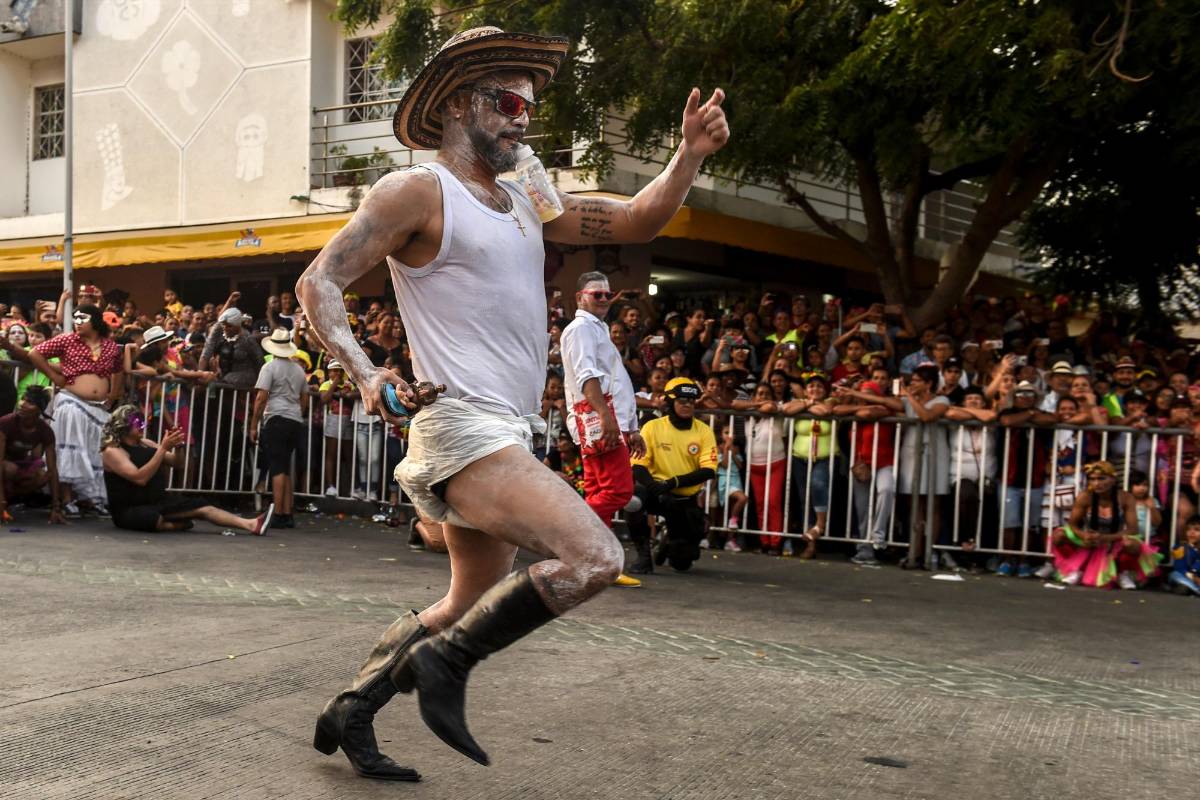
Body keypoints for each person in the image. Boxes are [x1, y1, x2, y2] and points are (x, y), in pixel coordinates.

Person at [297, 26, 728, 779]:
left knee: (463, 600)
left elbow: (635, 221)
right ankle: (448, 668)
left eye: (529, 108)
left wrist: (687, 156)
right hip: (461, 425)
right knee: (595, 556)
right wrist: (367, 373)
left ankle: (354, 708)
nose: (523, 118)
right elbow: (318, 283)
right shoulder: (417, 192)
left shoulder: (529, 196)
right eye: (506, 102)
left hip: (512, 428)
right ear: (460, 104)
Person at [560, 271, 646, 587]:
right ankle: (569, 536)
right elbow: (587, 377)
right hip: (598, 417)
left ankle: (598, 565)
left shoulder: (596, 329)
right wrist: (608, 418)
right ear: (580, 296)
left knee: (600, 490)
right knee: (618, 491)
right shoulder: (582, 328)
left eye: (607, 295)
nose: (604, 300)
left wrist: (630, 427)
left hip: (604, 417)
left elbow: (616, 381)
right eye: (597, 294)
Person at [101, 405, 273, 534]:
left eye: (143, 422)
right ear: (123, 426)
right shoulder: (113, 451)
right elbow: (139, 478)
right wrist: (162, 449)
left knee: (204, 507)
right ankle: (177, 524)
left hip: (158, 501)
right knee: (154, 520)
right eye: (137, 423)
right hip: (130, 508)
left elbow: (178, 463)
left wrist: (178, 445)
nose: (142, 426)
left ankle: (251, 524)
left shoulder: (147, 444)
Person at [28, 304, 125, 517]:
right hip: (72, 402)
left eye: (83, 318)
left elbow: (118, 370)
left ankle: (90, 499)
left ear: (97, 321)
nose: (78, 322)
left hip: (98, 408)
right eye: (76, 318)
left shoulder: (110, 346)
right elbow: (36, 353)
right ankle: (67, 499)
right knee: (70, 450)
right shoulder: (66, 340)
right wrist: (55, 378)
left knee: (94, 452)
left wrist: (113, 395)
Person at [625, 378, 718, 573]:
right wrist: (654, 486)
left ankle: (670, 539)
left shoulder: (704, 431)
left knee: (681, 562)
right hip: (656, 491)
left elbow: (709, 470)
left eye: (691, 402)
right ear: (670, 402)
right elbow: (638, 466)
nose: (687, 405)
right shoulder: (653, 427)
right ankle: (643, 557)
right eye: (682, 401)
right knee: (633, 501)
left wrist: (672, 483)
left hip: (683, 498)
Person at [1051, 461, 1161, 589]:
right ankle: (1077, 569)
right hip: (1089, 541)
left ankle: (1121, 572)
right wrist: (1084, 535)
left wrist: (1106, 538)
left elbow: (1133, 529)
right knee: (1059, 535)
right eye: (1092, 479)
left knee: (1131, 544)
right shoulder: (1085, 496)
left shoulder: (1125, 497)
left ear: (1113, 479)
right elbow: (1072, 524)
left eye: (1101, 478)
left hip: (1115, 540)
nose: (1096, 483)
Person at [249, 330, 310, 530]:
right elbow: (305, 399)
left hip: (276, 418)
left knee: (277, 467)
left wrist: (253, 424)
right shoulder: (299, 370)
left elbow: (261, 398)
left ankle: (279, 512)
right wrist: (296, 413)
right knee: (285, 467)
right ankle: (287, 512)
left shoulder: (269, 367)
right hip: (294, 420)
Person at [0, 387, 66, 524]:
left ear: (39, 409)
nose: (22, 404)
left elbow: (53, 470)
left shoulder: (45, 431)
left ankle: (12, 500)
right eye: (23, 399)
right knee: (9, 469)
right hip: (5, 466)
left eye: (29, 402)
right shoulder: (6, 423)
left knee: (43, 475)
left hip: (19, 466)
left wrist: (56, 507)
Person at [1168, 516, 1200, 595]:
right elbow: (1179, 567)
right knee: (1175, 575)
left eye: (1197, 530)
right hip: (1183, 575)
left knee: (1184, 588)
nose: (1192, 532)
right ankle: (1195, 590)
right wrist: (1193, 577)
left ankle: (1188, 589)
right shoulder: (1181, 547)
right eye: (1188, 529)